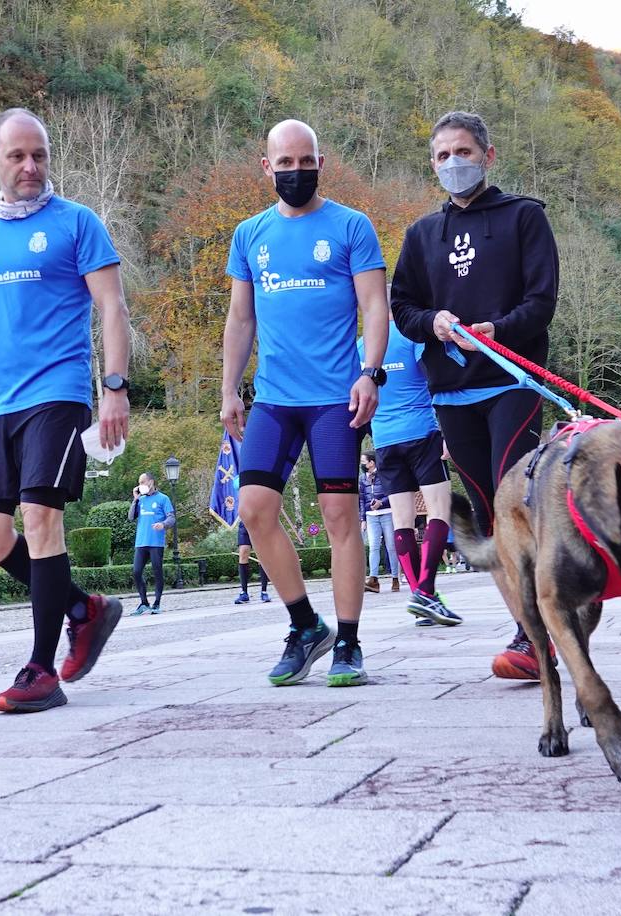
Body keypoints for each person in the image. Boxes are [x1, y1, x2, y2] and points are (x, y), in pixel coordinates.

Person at [0, 107, 129, 714]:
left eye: (38, 154)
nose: (30, 166)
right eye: (17, 156)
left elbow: (112, 307)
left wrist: (112, 387)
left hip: (58, 395)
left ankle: (41, 670)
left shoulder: (78, 224)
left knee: (41, 518)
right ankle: (80, 608)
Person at [389, 110, 560, 680]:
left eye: (462, 152)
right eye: (441, 156)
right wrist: (432, 320)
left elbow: (541, 302)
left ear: (487, 155)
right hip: (452, 392)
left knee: (516, 504)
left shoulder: (524, 217)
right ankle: (532, 636)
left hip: (513, 380)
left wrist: (499, 330)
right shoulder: (420, 235)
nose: (452, 164)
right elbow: (403, 307)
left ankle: (538, 630)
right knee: (487, 516)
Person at [221, 118, 389, 688]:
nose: (295, 172)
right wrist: (229, 388)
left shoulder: (350, 226)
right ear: (266, 168)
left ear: (321, 162)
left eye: (305, 161)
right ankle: (303, 625)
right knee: (254, 509)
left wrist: (371, 372)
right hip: (273, 399)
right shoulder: (250, 235)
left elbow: (374, 306)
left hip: (335, 399)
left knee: (341, 516)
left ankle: (348, 641)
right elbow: (241, 318)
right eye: (284, 163)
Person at [359, 324, 462, 627]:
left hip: (385, 440)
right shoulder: (412, 337)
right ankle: (426, 592)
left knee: (402, 521)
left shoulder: (361, 347)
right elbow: (438, 379)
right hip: (421, 432)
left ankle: (419, 595)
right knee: (438, 512)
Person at [128, 472, 175, 616]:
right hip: (141, 542)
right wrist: (135, 500)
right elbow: (131, 517)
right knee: (136, 572)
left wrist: (163, 524)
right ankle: (144, 602)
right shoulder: (141, 500)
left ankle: (157, 603)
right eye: (139, 483)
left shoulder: (163, 498)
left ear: (151, 482)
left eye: (143, 482)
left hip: (156, 542)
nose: (141, 485)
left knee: (157, 571)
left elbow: (172, 518)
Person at [359, 452, 399, 593]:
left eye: (364, 461)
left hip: (387, 513)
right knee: (374, 547)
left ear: (372, 462)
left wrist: (381, 503)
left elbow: (391, 493)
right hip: (371, 516)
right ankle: (374, 579)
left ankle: (395, 578)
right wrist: (363, 519)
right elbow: (362, 499)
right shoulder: (362, 478)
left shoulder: (384, 474)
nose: (362, 464)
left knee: (391, 547)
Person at [234, 521, 271, 604]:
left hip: (260, 522)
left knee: (262, 555)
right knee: (243, 554)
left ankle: (264, 592)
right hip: (244, 523)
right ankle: (244, 593)